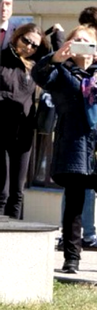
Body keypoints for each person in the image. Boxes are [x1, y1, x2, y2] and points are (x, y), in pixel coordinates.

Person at [33, 24, 97, 274]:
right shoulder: (60, 72)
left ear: (95, 45)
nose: (81, 46)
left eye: (86, 41)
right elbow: (39, 74)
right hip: (74, 142)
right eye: (75, 41)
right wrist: (54, 58)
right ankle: (71, 258)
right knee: (74, 203)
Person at [0, 22, 40, 219]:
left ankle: (15, 238)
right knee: (2, 191)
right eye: (26, 40)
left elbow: (58, 60)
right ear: (17, 36)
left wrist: (57, 34)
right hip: (2, 129)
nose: (30, 47)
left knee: (18, 191)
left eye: (35, 45)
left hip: (24, 132)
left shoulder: (34, 66)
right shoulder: (3, 59)